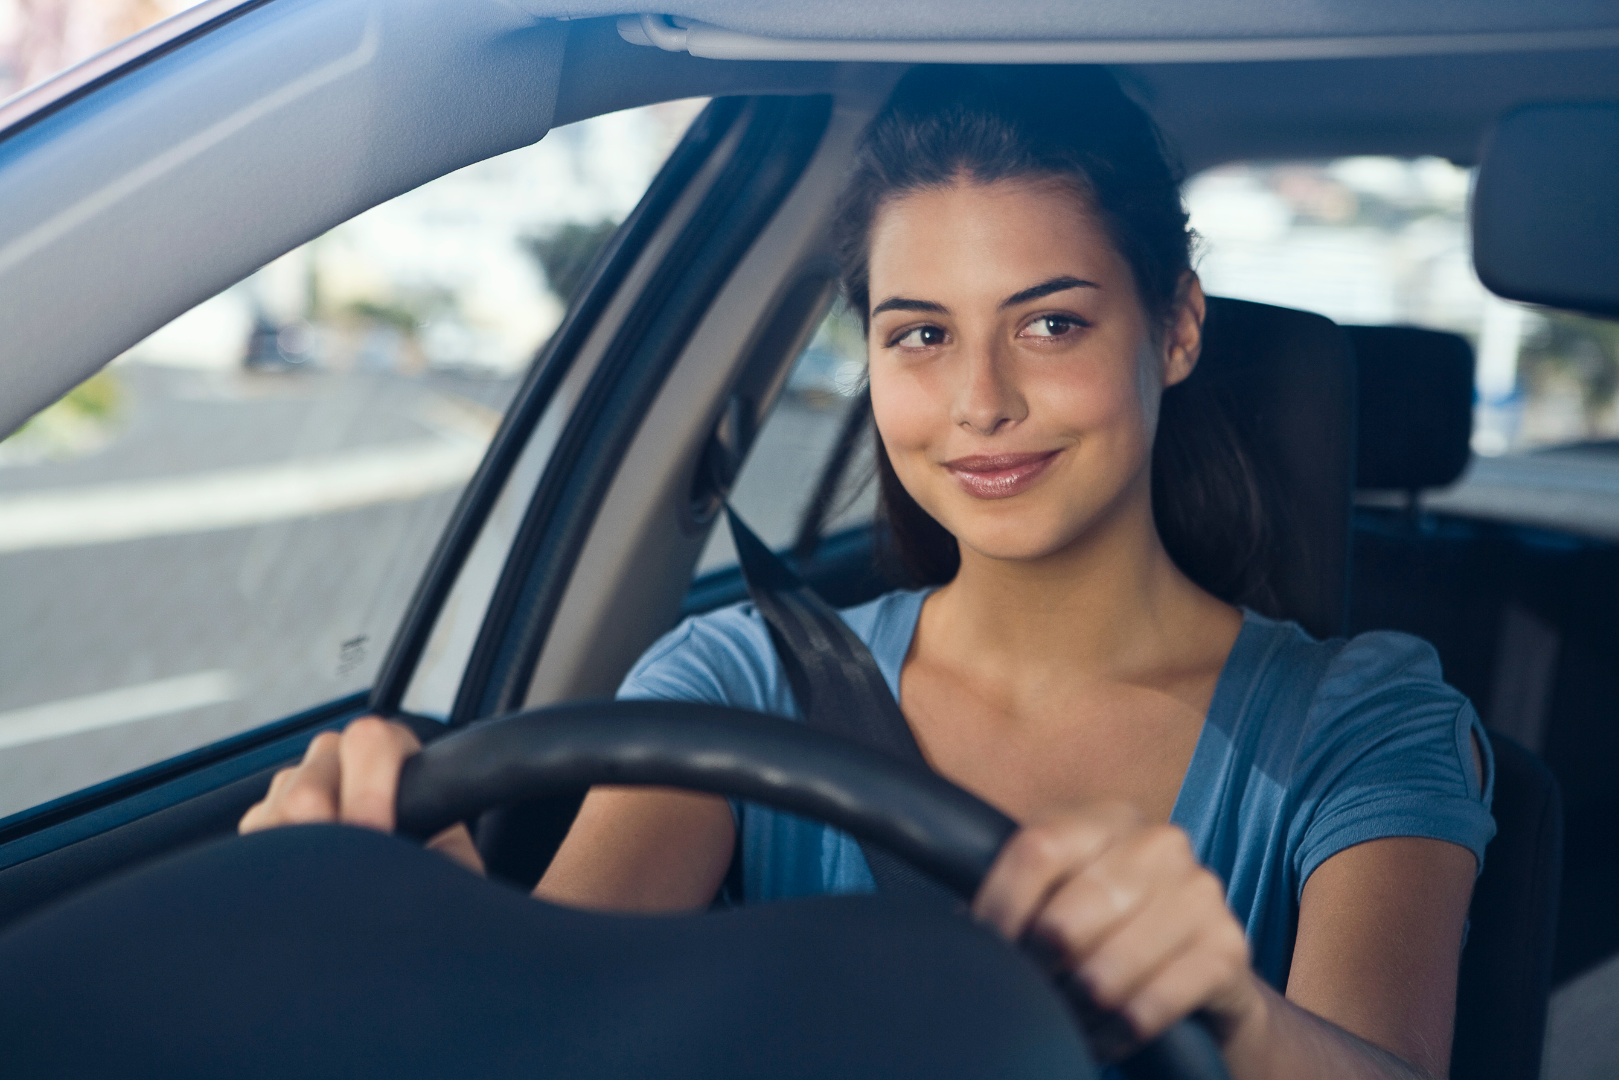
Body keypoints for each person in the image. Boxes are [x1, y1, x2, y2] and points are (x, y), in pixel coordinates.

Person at [240, 66, 1495, 1080]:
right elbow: (564, 1027)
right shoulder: (736, 678)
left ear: (1173, 328)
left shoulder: (1363, 723)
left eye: (1049, 323)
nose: (979, 402)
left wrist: (1230, 1011)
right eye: (920, 336)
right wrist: (430, 900)